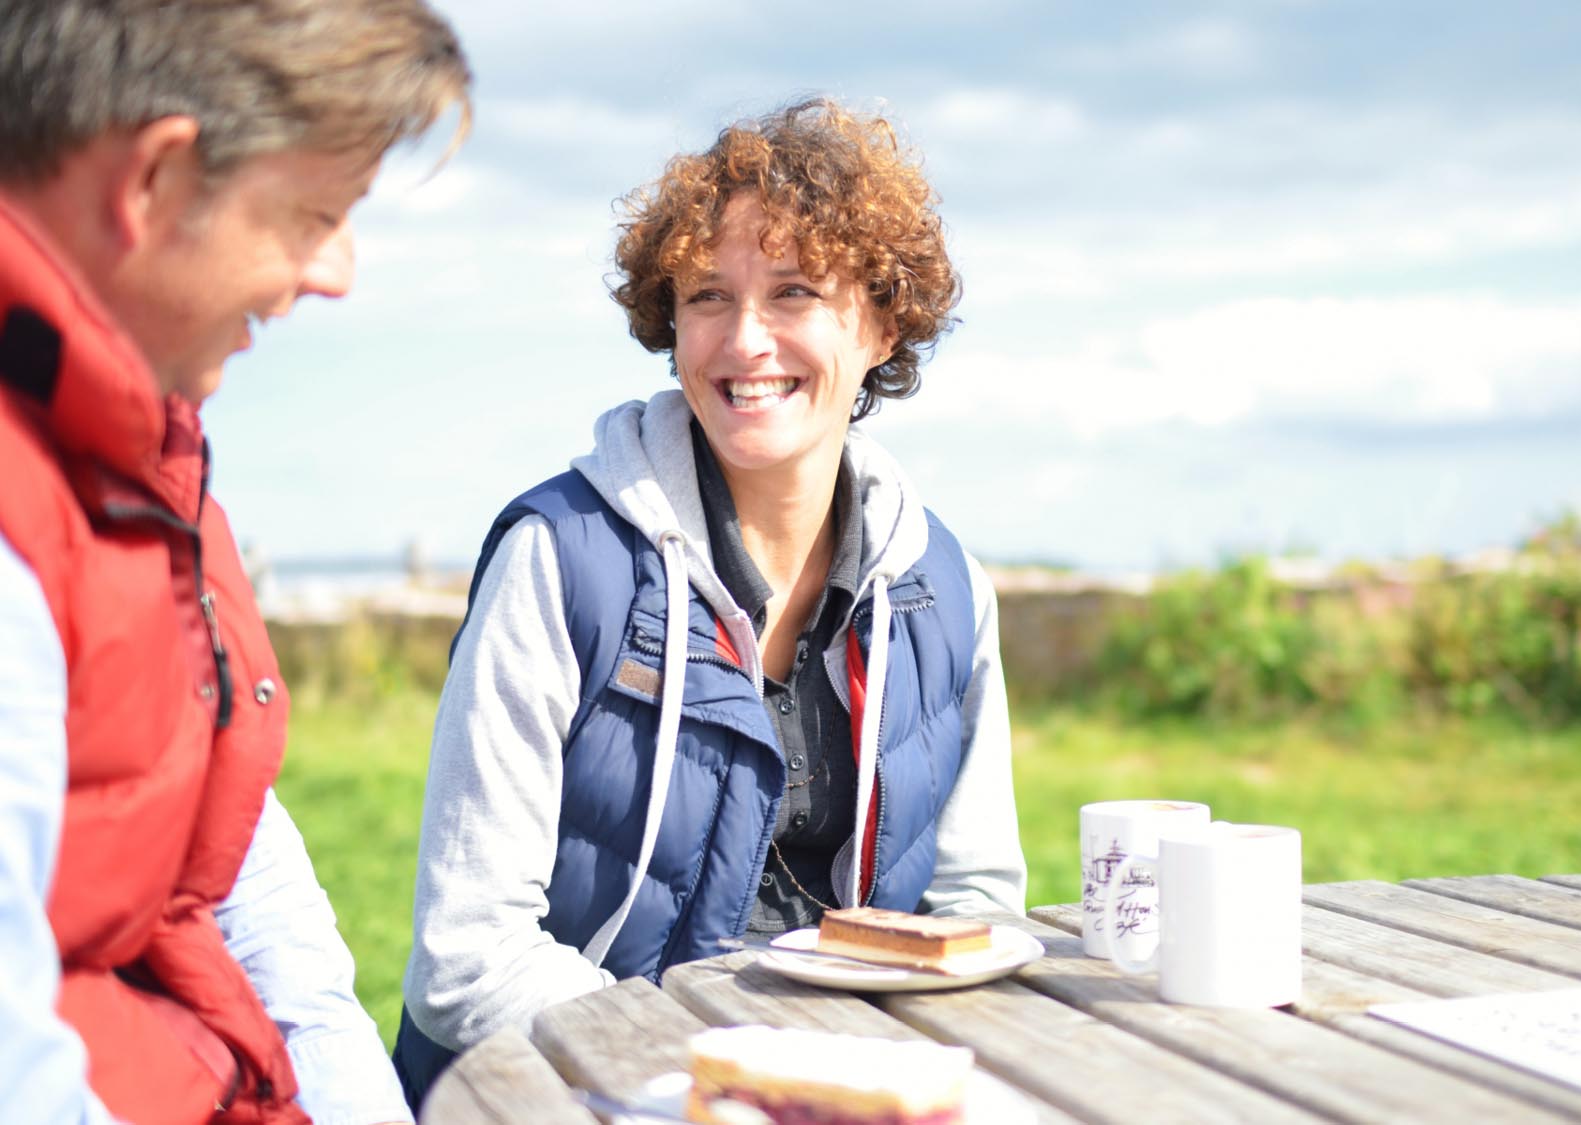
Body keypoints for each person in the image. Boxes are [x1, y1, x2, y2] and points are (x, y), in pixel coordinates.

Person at [393, 97, 1028, 1102]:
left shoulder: (945, 591)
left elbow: (977, 909)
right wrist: (722, 1073)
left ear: (880, 323)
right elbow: (466, 961)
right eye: (704, 298)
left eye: (794, 293)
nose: (744, 342)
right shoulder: (559, 559)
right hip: (567, 1091)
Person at [0, 2, 470, 1122]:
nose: (337, 272)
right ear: (153, 181)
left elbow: (249, 882)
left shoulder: (145, 457)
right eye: (315, 214)